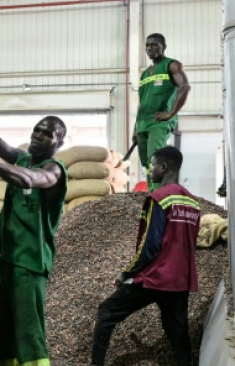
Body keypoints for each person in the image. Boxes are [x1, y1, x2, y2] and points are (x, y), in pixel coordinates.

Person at [0, 94, 68, 366]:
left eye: (46, 134)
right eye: (36, 129)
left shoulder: (53, 170)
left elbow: (29, 180)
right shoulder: (22, 158)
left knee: (28, 329)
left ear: (59, 142)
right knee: (4, 329)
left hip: (31, 261)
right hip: (11, 257)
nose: (38, 135)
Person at [90, 146, 200, 366]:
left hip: (155, 277)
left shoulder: (158, 198)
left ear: (164, 167)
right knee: (178, 334)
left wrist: (127, 273)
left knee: (107, 312)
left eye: (152, 164)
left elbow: (149, 246)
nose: (150, 169)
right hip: (180, 280)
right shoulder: (192, 203)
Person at [133, 33, 190, 191]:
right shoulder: (145, 74)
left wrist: (171, 113)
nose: (150, 48)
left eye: (154, 45)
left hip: (159, 121)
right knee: (147, 163)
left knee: (156, 159)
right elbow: (142, 102)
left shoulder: (171, 65)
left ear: (163, 47)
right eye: (148, 45)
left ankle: (159, 197)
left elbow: (184, 86)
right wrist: (135, 128)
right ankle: (153, 193)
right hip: (142, 123)